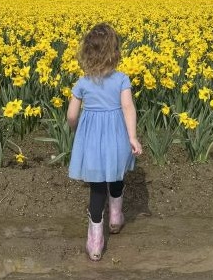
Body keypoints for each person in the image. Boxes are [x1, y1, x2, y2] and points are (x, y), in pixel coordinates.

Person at [67, 22, 143, 261]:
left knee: (97, 188)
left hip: (91, 142)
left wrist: (76, 129)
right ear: (116, 53)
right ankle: (116, 218)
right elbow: (129, 108)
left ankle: (95, 242)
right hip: (118, 138)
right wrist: (132, 136)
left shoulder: (82, 83)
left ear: (87, 53)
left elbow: (71, 115)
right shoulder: (122, 79)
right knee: (117, 176)